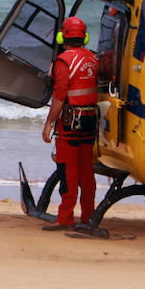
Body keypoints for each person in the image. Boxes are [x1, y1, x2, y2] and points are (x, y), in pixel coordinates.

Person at [41, 16, 99, 229]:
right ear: (84, 37)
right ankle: (88, 217)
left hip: (70, 123)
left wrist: (49, 123)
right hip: (90, 121)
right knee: (86, 171)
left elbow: (59, 96)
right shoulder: (93, 59)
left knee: (68, 171)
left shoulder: (63, 61)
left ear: (61, 37)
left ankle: (65, 218)